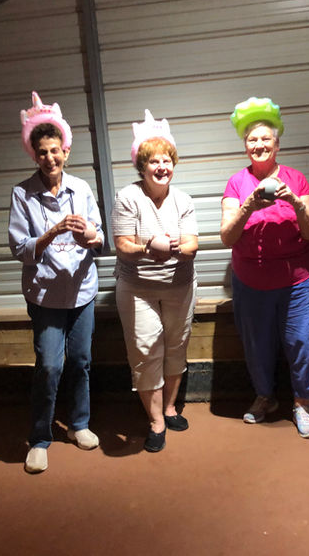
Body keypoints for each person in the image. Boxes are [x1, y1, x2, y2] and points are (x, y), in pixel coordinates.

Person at [220, 97, 309, 438]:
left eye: (266, 139)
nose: (259, 145)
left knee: (303, 340)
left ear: (277, 144)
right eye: (252, 140)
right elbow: (227, 236)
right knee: (257, 344)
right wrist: (249, 205)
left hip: (298, 280)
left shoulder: (295, 179)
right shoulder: (236, 183)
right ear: (245, 147)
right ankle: (264, 397)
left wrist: (294, 201)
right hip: (251, 280)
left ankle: (303, 403)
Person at [8, 91, 104, 473]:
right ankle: (39, 438)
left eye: (55, 150)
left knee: (80, 361)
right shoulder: (22, 194)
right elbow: (20, 248)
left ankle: (79, 424)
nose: (50, 158)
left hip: (82, 290)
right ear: (34, 155)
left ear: (66, 151)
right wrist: (52, 232)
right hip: (45, 294)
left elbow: (99, 236)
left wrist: (88, 235)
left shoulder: (81, 188)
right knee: (49, 366)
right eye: (42, 152)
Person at [111, 110, 199, 453]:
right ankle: (156, 421)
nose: (162, 167)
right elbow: (122, 246)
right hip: (138, 290)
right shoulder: (127, 197)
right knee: (146, 351)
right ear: (142, 166)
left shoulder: (183, 200)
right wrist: (149, 247)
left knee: (176, 346)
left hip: (180, 286)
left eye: (166, 160)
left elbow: (192, 245)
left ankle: (170, 407)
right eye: (153, 161)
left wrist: (177, 248)